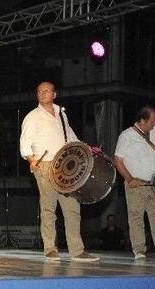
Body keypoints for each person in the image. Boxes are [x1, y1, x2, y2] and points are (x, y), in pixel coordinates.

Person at [19, 81, 99, 262]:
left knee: (72, 208)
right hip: (45, 164)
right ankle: (50, 248)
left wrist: (86, 149)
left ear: (54, 94)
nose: (42, 94)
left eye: (46, 91)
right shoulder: (32, 117)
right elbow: (24, 143)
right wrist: (32, 160)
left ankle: (77, 251)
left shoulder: (61, 114)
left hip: (65, 165)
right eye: (39, 91)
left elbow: (69, 136)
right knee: (49, 209)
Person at [113, 106, 155, 261]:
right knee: (136, 217)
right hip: (136, 184)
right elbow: (118, 160)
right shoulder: (126, 136)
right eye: (152, 121)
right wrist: (129, 179)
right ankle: (139, 250)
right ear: (142, 120)